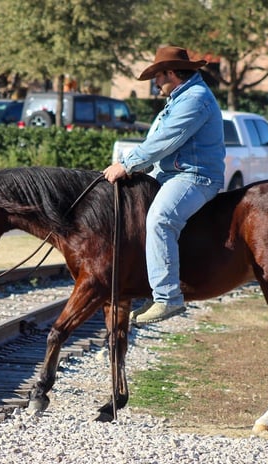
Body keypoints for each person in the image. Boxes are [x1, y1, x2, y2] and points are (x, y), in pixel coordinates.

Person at [103, 46, 225, 325]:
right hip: (169, 175)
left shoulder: (196, 99)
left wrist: (127, 164)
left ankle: (168, 297)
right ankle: (149, 287)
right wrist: (135, 167)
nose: (155, 83)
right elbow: (155, 144)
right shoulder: (178, 99)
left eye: (157, 76)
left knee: (160, 219)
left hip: (194, 177)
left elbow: (165, 140)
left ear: (171, 73)